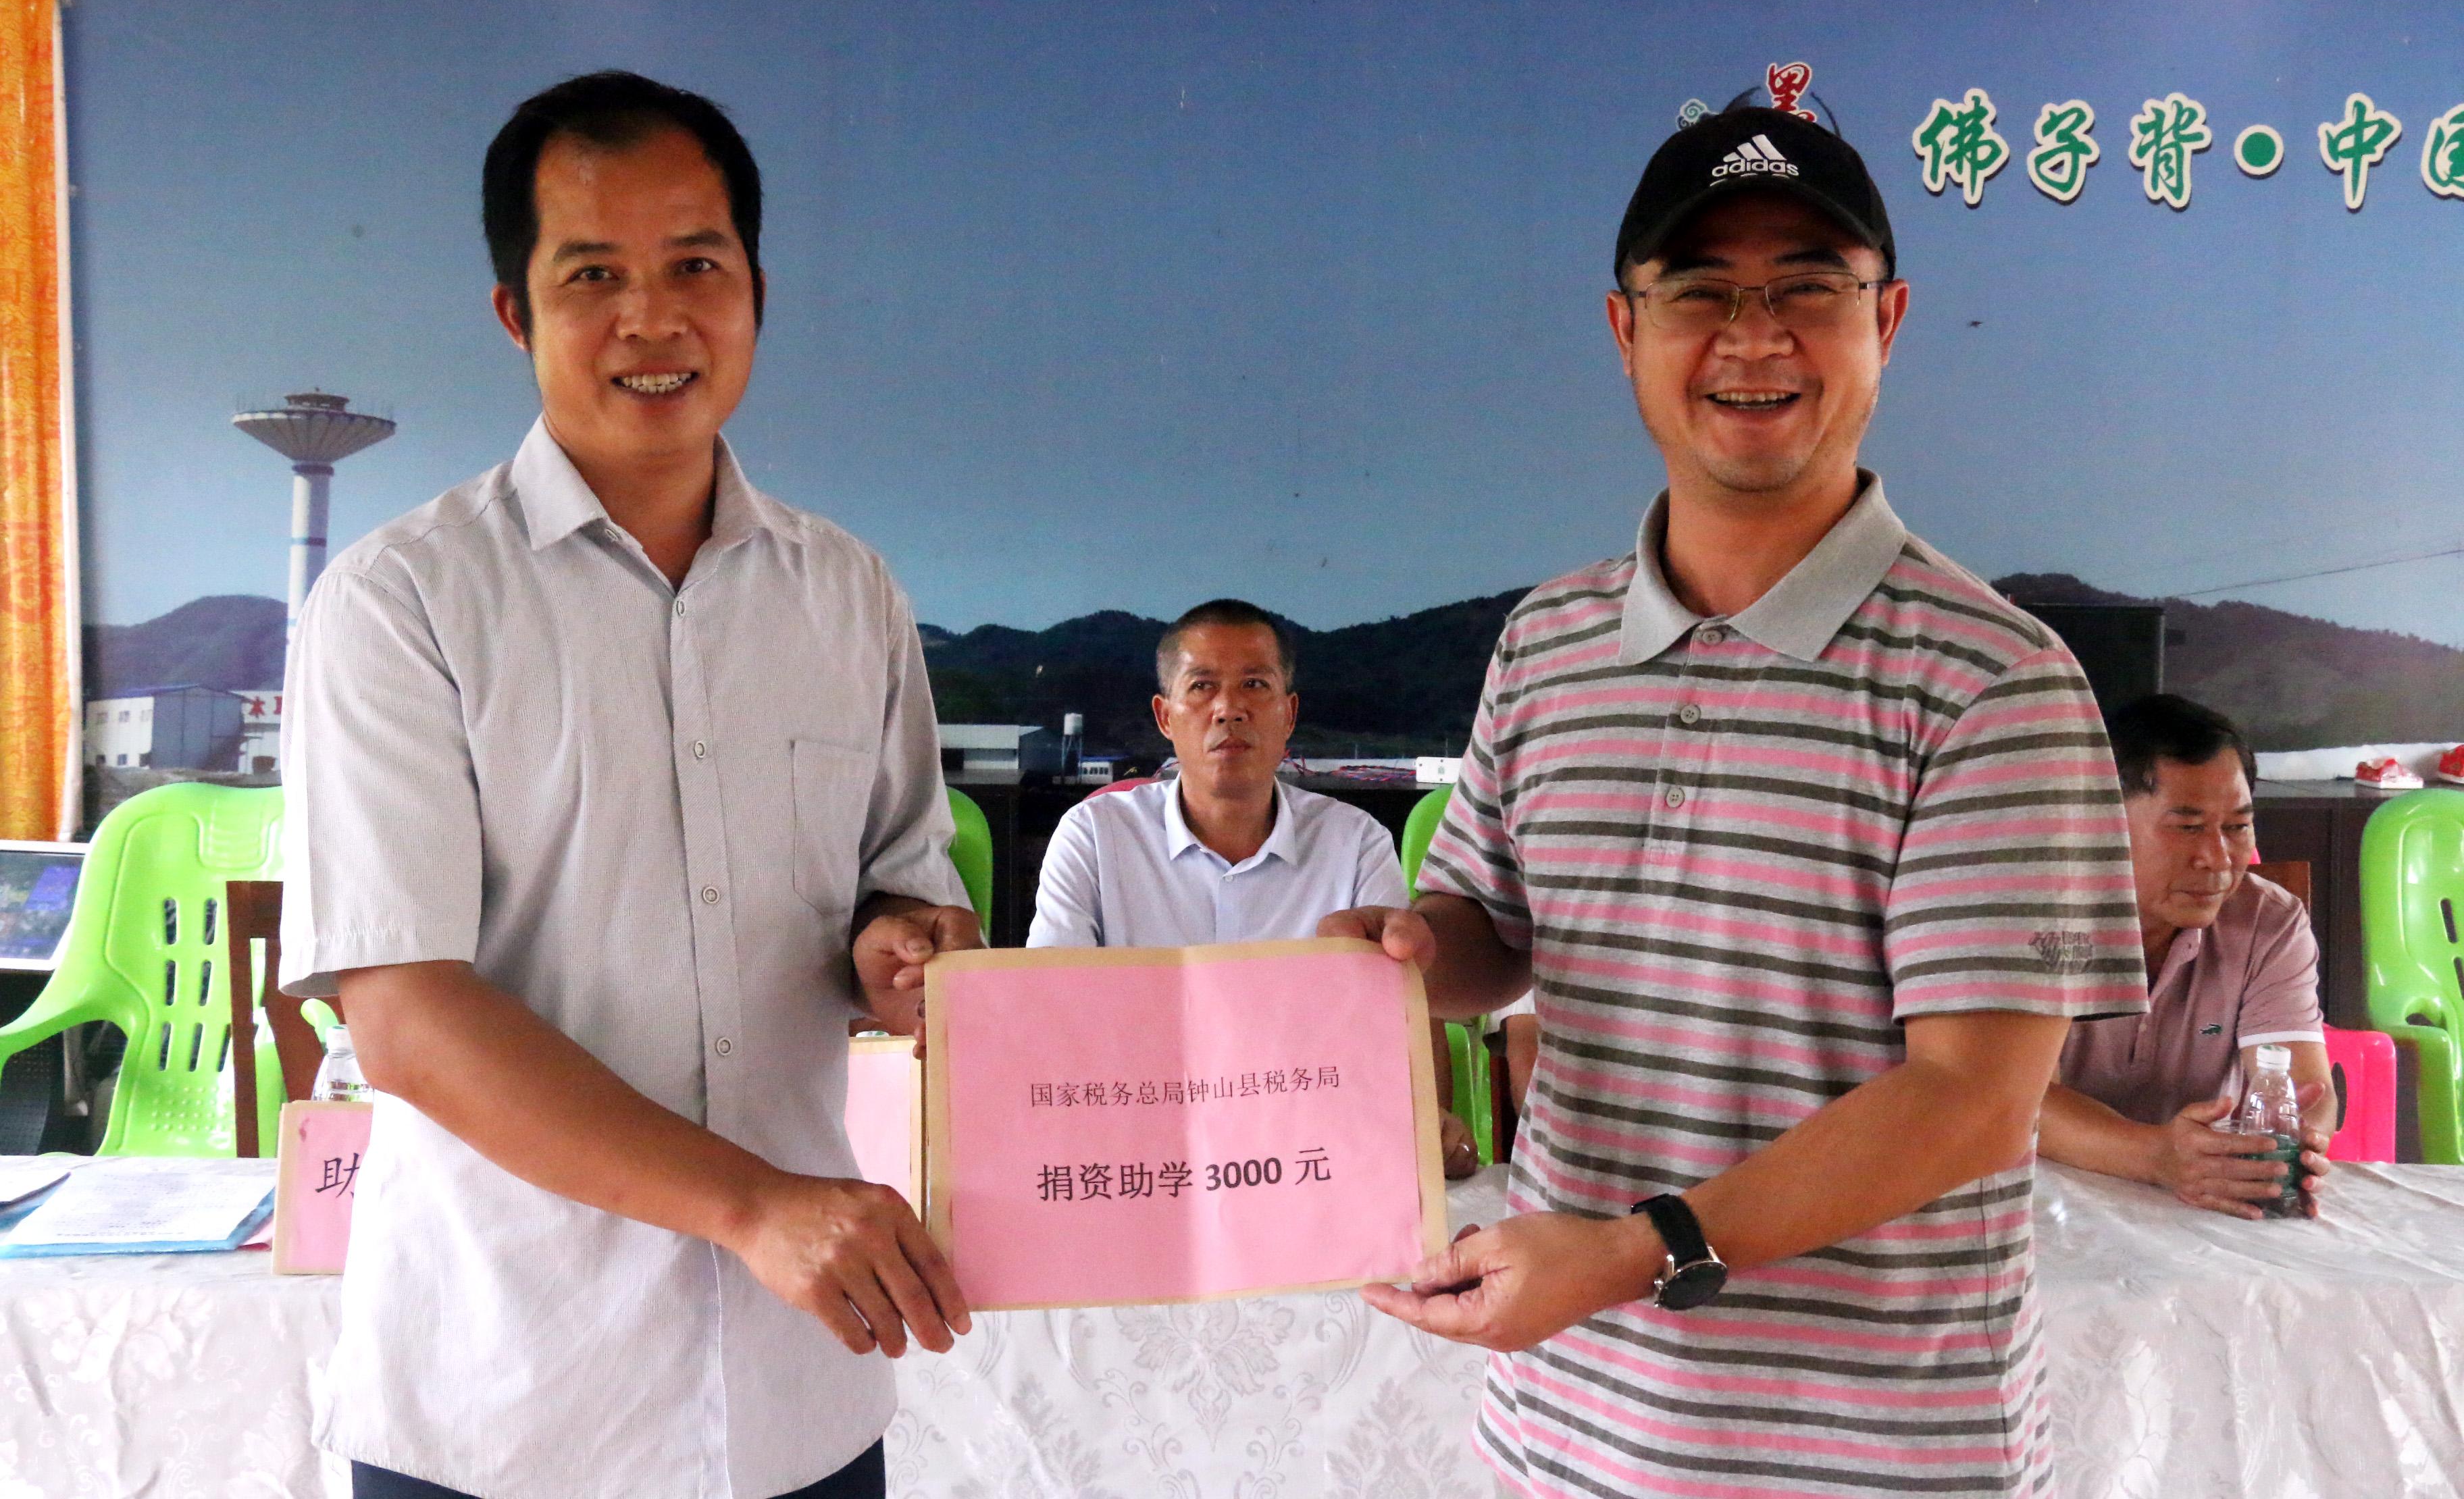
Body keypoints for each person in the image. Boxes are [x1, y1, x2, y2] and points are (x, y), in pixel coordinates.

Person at [1323, 103, 2145, 1497]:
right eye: (1700, 291)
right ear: (1622, 329)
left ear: (1887, 318)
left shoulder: (1997, 680)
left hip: (1873, 1454)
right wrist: (1408, 957)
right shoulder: (1548, 640)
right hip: (1567, 1424)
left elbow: (1972, 1100)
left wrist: (1642, 1249)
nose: (1753, 337)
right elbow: (1495, 928)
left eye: (1807, 291)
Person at [280, 72, 974, 1499]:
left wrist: (905, 949)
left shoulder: (848, 593)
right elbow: (405, 1019)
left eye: (695, 267)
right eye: (593, 274)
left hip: (799, 1403)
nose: (653, 319)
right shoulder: (401, 602)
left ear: (756, 291)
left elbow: (904, 884)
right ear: (515, 313)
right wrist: (754, 1208)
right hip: (507, 1403)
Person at [1027, 599, 1481, 1174]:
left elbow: (1403, 1014)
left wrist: (1427, 1123)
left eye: (1254, 685)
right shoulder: (1094, 835)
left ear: (1288, 715)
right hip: (1137, 1146)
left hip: (1305, 1152)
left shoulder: (1354, 842)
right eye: (1202, 687)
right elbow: (1051, 1010)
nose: (1228, 709)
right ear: (1165, 716)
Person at [2040, 693, 2334, 1217]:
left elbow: (2305, 1088)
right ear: (2100, 821)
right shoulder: (2033, 916)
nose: (2218, 860)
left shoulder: (2268, 922)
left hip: (2195, 1204)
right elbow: (2022, 1100)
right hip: (2038, 1200)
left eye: (2238, 827)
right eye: (2188, 827)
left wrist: (2281, 1146)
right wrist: (2158, 1155)